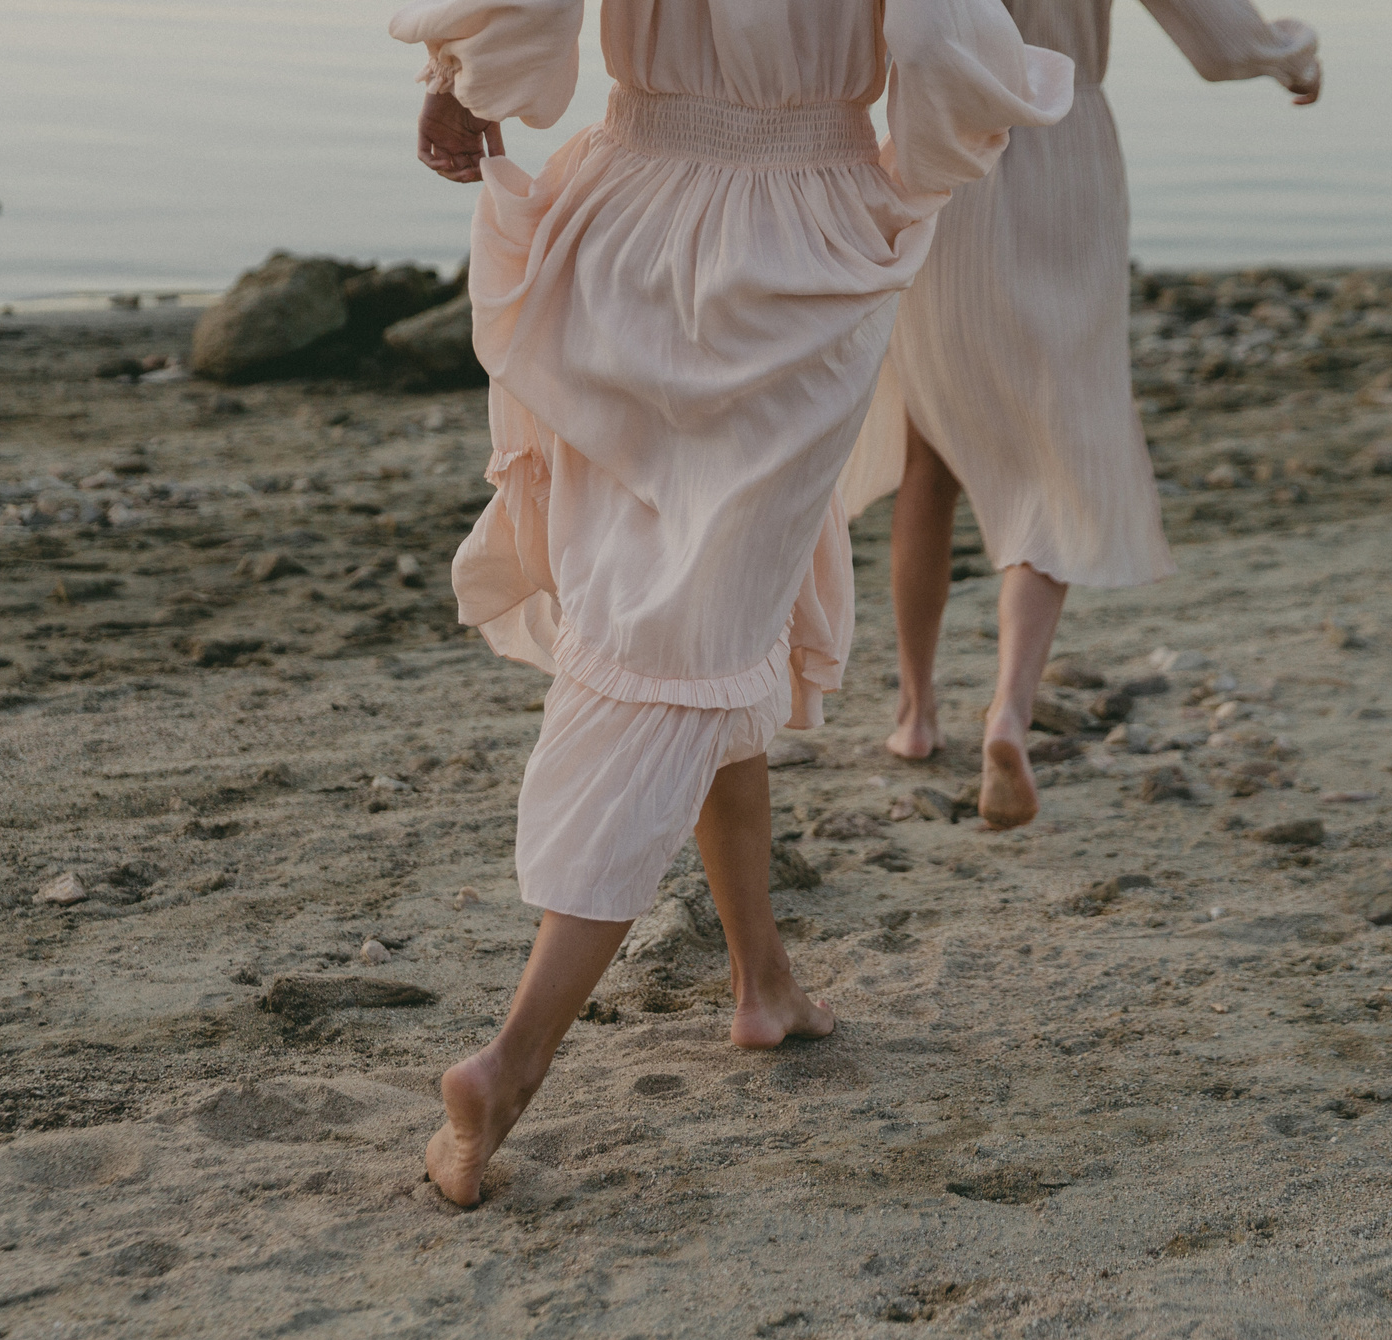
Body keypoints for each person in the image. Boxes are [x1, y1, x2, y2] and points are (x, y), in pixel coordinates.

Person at [390, 0, 1074, 1206]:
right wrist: (945, 149)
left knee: (706, 617)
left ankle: (763, 984)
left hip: (624, 209)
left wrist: (467, 78)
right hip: (795, 236)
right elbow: (938, 45)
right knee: (688, 639)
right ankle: (510, 1062)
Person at [837, 0, 1320, 829]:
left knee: (929, 451)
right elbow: (1216, 41)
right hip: (1068, 160)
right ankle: (1009, 713)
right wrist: (1291, 56)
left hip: (945, 152)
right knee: (1059, 447)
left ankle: (916, 715)